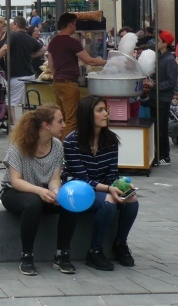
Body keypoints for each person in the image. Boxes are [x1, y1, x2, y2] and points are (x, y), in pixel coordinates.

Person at [63, 95, 139, 271]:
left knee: (132, 198)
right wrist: (110, 189)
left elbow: (112, 173)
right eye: (100, 110)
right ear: (87, 115)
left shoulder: (110, 140)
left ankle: (120, 243)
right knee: (108, 201)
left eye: (106, 110)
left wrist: (122, 186)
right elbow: (82, 178)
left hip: (103, 188)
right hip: (78, 189)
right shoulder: (71, 142)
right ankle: (94, 250)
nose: (105, 114)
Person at [0, 105, 77, 276]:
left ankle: (62, 254)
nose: (64, 125)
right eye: (60, 121)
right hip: (15, 192)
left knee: (69, 200)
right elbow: (16, 181)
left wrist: (56, 192)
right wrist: (40, 192)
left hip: (42, 191)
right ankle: (26, 256)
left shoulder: (57, 145)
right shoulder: (19, 144)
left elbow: (54, 178)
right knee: (33, 202)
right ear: (46, 125)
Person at [47, 13, 106, 138]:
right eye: (75, 24)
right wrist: (108, 62)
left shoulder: (53, 42)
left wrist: (56, 76)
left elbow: (51, 64)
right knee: (71, 119)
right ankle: (66, 146)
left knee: (60, 118)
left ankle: (58, 144)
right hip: (69, 83)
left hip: (57, 83)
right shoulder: (72, 42)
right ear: (70, 25)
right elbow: (89, 61)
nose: (76, 26)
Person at [0, 16, 46, 121]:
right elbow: (43, 49)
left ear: (16, 25)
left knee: (10, 101)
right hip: (30, 73)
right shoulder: (29, 38)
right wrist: (31, 56)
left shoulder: (13, 35)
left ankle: (15, 124)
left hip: (17, 75)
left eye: (13, 25)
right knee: (27, 101)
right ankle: (27, 122)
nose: (12, 27)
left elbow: (4, 48)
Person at [154, 30, 178, 165]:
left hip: (163, 99)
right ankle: (159, 154)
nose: (156, 42)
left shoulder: (169, 60)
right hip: (158, 97)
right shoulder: (160, 57)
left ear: (165, 44)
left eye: (158, 40)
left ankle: (165, 156)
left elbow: (171, 82)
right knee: (158, 128)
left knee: (162, 128)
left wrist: (155, 85)